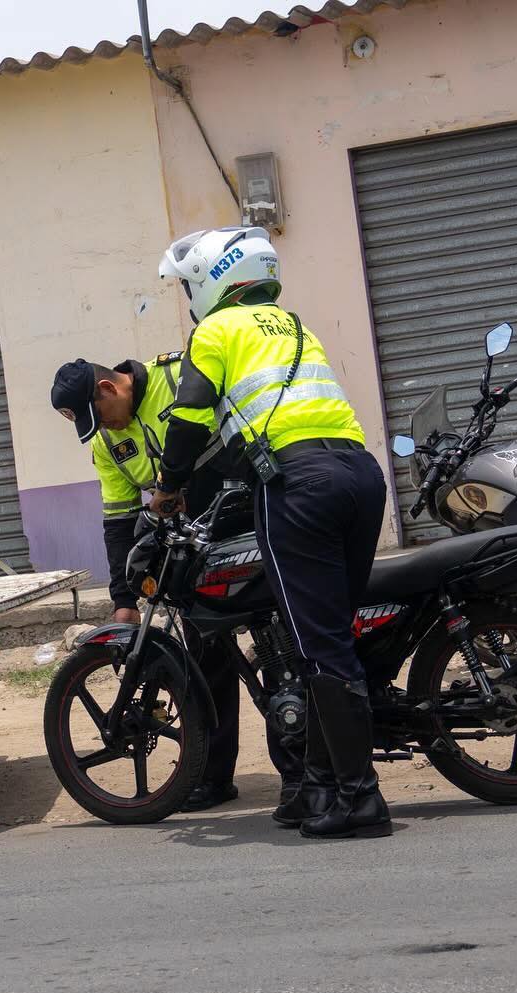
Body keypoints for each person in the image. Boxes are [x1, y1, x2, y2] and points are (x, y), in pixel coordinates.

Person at [152, 226, 392, 840]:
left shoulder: (215, 331)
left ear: (212, 281)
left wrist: (169, 486)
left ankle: (360, 800)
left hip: (300, 488)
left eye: (187, 289)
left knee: (319, 645)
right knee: (325, 636)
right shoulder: (293, 325)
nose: (187, 302)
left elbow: (188, 419)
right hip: (359, 475)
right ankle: (316, 790)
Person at [50, 353, 306, 811]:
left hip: (248, 523)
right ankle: (212, 777)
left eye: (99, 416)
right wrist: (122, 600)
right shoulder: (108, 445)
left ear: (110, 389)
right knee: (207, 661)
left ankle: (297, 774)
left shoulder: (177, 376)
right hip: (190, 553)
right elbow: (118, 519)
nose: (104, 428)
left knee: (277, 649)